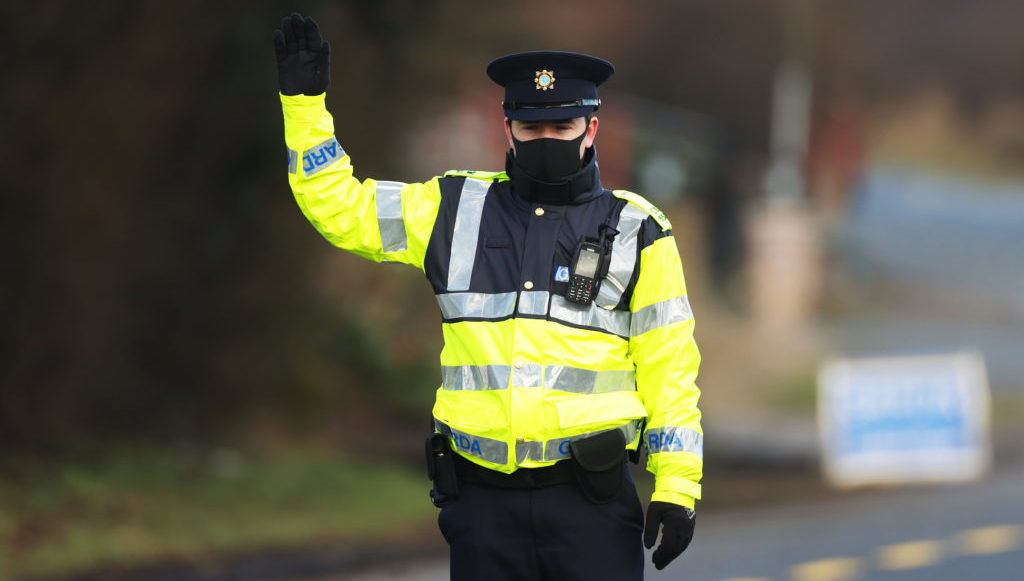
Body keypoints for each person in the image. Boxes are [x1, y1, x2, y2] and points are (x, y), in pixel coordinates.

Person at [273, 12, 703, 580]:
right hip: (481, 509)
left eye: (562, 127)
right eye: (531, 128)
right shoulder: (449, 210)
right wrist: (304, 107)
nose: (545, 139)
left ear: (591, 129)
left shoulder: (638, 230)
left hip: (591, 507)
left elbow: (669, 370)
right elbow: (338, 207)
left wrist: (677, 486)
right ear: (507, 129)